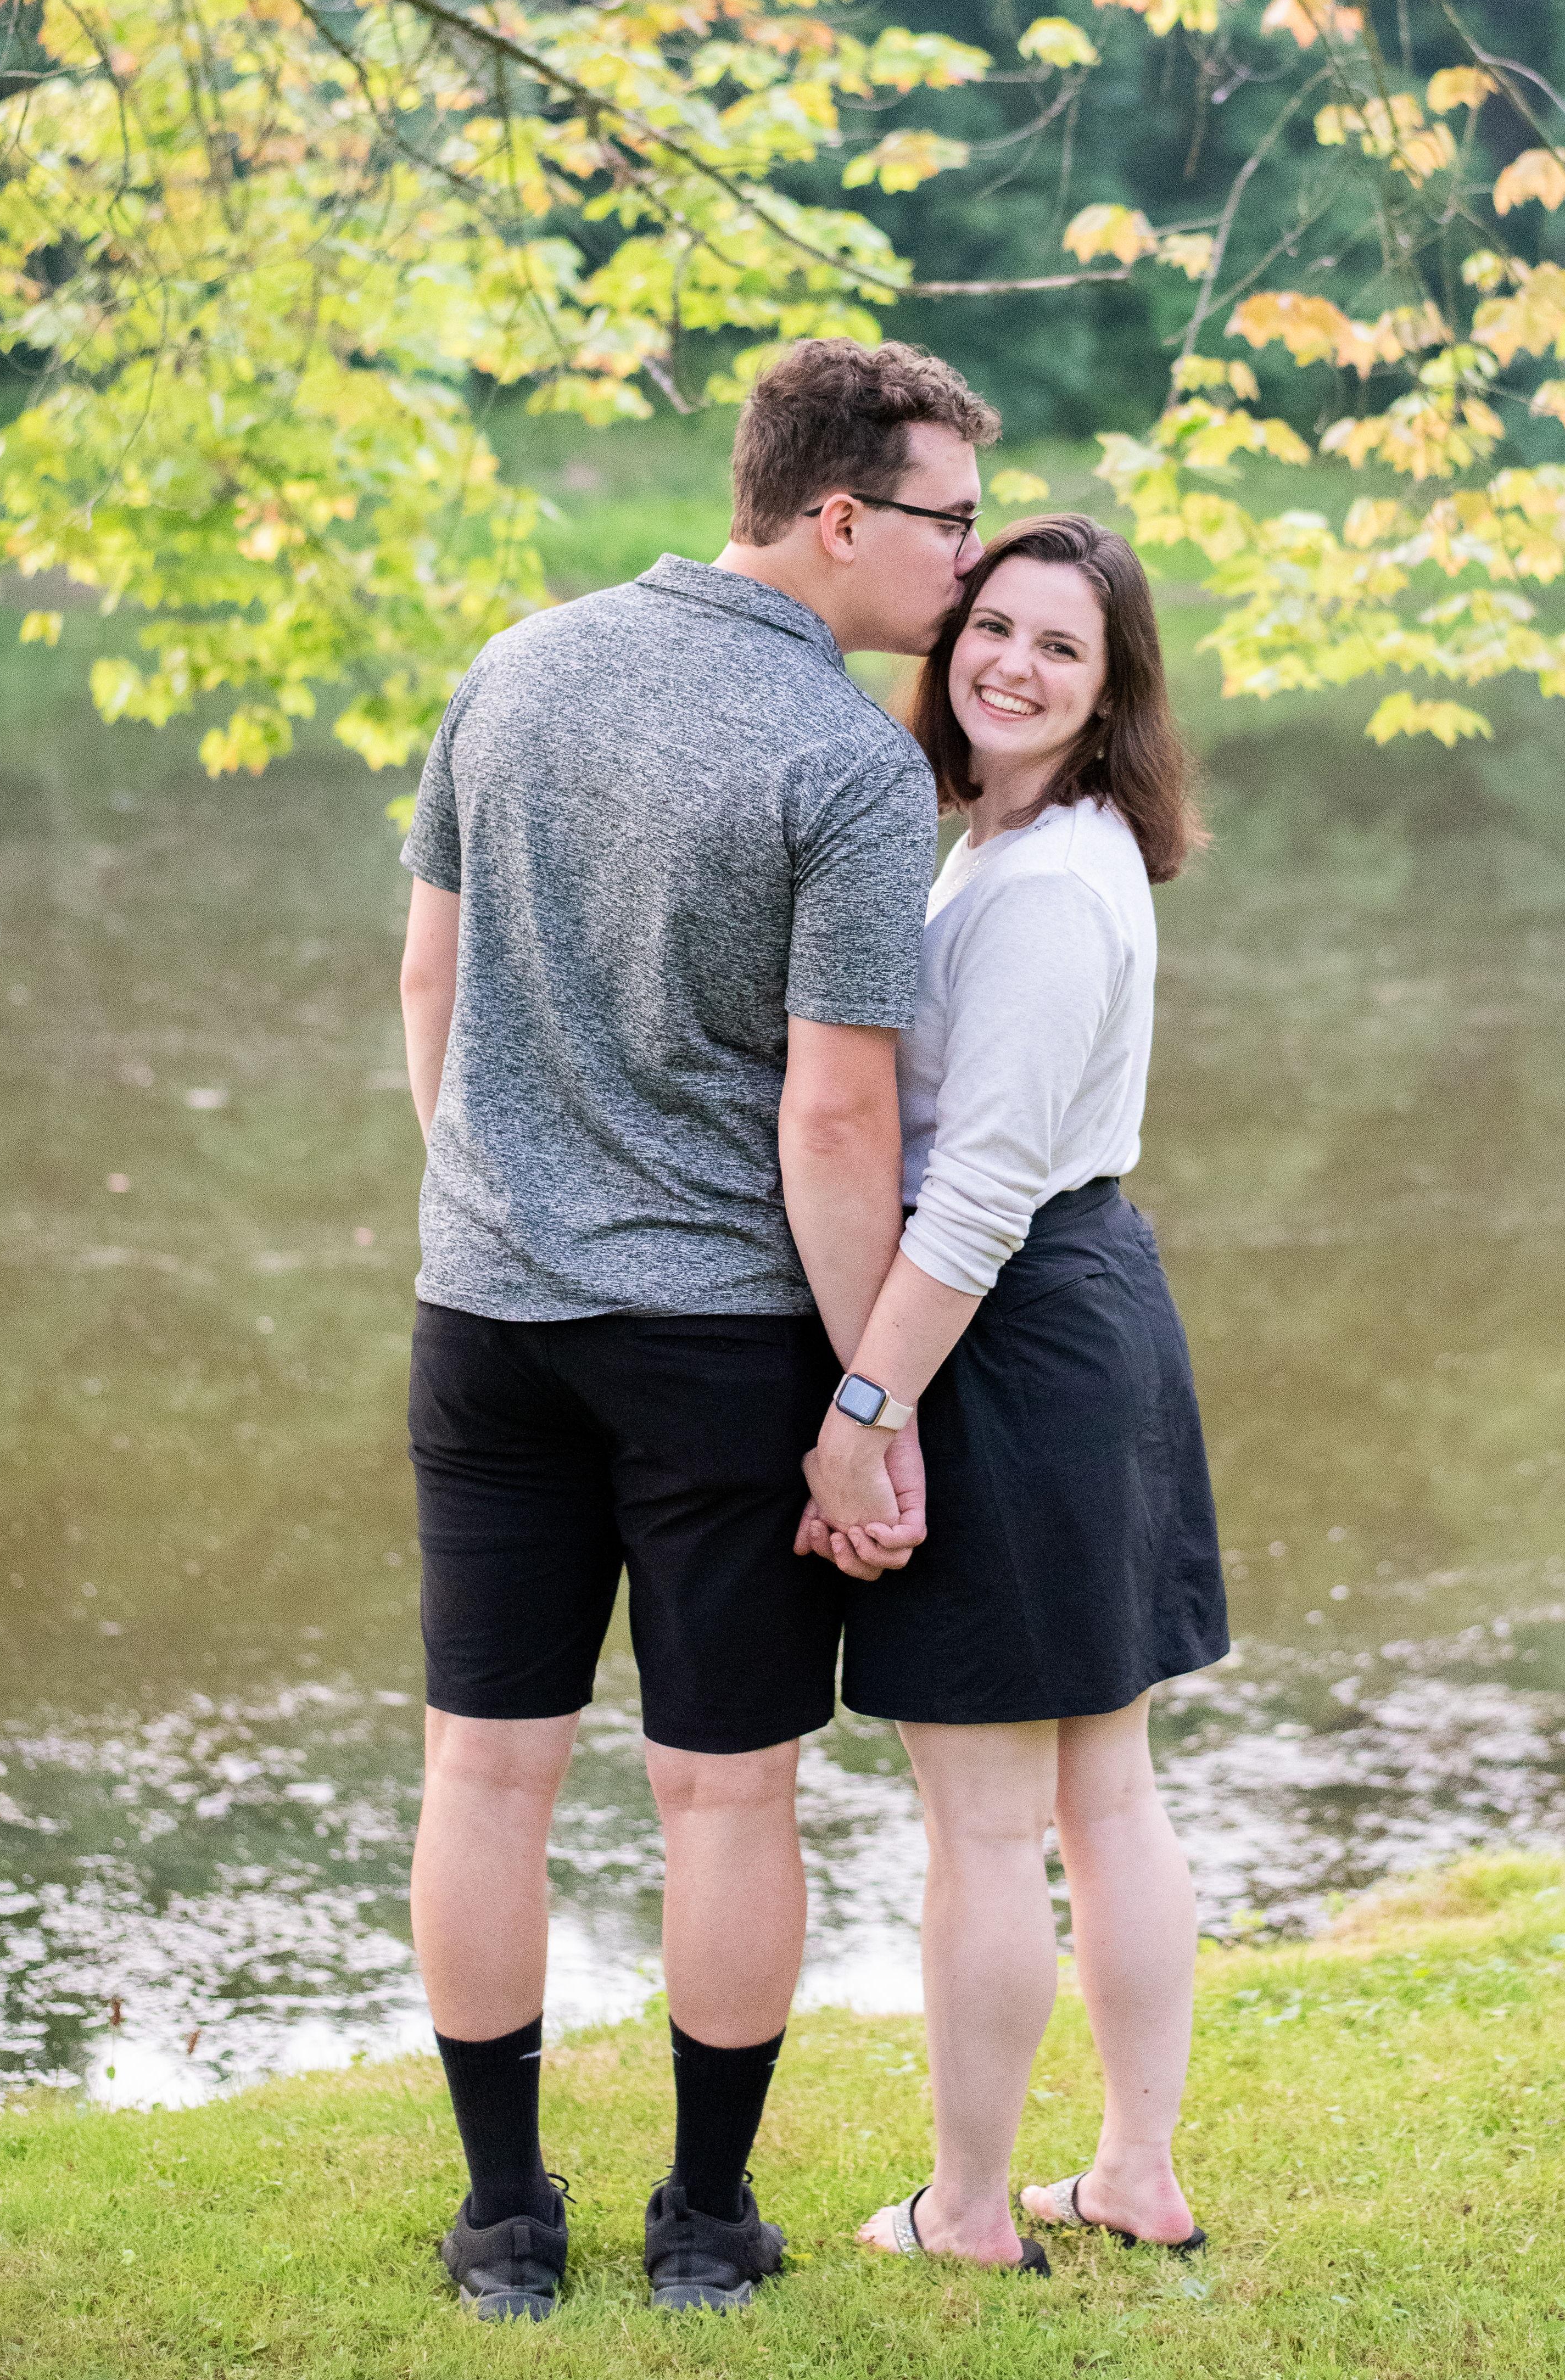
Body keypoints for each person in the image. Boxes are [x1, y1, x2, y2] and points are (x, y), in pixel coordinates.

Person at [394, 337, 999, 2319]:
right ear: (836, 515)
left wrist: (497, 1193)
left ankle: (505, 2221)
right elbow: (833, 1119)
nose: (969, 561)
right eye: (948, 520)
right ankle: (704, 2225)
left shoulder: (515, 665)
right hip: (719, 1339)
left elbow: (429, 980)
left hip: (483, 1313)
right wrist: (869, 1398)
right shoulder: (846, 760)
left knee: (485, 1769)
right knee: (723, 1787)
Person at [798, 513, 1231, 2277]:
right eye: (994, 625)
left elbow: (975, 1191)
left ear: (1112, 687)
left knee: (1001, 1815)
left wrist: (862, 1408)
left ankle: (972, 2209)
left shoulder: (1049, 880)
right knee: (1100, 1793)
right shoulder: (1009, 841)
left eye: (1062, 645)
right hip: (1065, 1310)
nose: (1013, 664)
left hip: (1008, 1327)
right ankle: (1130, 2173)